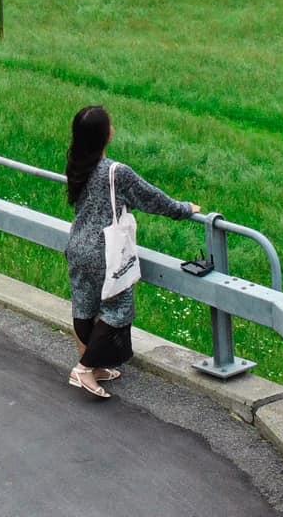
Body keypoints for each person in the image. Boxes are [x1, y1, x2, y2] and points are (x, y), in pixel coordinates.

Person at [62, 105, 199, 399]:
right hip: (105, 251)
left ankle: (95, 366)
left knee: (84, 306)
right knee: (117, 310)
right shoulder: (116, 172)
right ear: (104, 135)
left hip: (77, 245)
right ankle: (85, 368)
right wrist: (185, 210)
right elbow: (153, 198)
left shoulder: (76, 163)